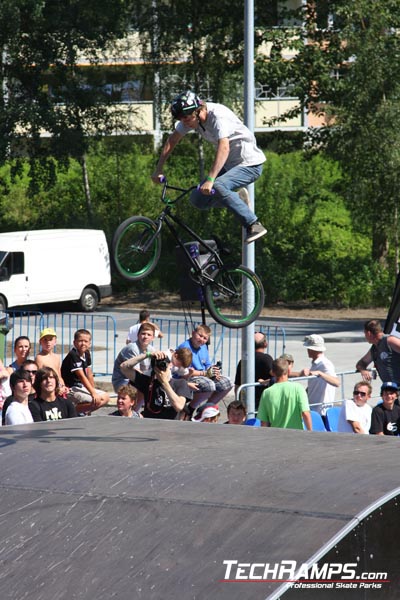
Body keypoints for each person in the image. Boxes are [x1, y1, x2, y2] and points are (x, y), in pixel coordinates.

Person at [151, 90, 267, 244]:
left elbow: (224, 147)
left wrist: (211, 178)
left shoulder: (218, 116)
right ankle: (236, 199)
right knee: (198, 199)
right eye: (180, 118)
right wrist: (158, 168)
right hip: (229, 166)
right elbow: (172, 140)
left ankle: (254, 224)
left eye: (186, 118)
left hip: (250, 164)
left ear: (198, 111)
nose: (184, 122)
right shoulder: (191, 119)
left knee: (218, 185)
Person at [177, 324, 232, 413]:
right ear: (193, 333)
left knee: (227, 382)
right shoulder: (185, 347)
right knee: (209, 385)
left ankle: (206, 408)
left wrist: (214, 370)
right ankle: (190, 409)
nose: (201, 339)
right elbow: (184, 372)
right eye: (200, 335)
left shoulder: (203, 347)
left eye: (205, 338)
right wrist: (205, 373)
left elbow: (207, 364)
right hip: (188, 377)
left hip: (203, 374)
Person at [120, 350, 186, 419]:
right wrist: (148, 355)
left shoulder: (180, 383)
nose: (160, 369)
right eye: (157, 365)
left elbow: (179, 406)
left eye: (163, 364)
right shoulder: (148, 382)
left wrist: (164, 382)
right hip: (150, 426)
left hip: (170, 427)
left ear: (170, 365)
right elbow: (123, 367)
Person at [61, 329, 109, 415]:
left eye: (86, 341)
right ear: (74, 342)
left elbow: (89, 374)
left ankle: (84, 411)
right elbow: (81, 376)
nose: (83, 343)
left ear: (89, 344)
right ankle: (71, 412)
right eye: (80, 341)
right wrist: (93, 394)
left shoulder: (86, 353)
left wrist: (93, 390)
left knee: (106, 397)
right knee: (94, 399)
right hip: (72, 388)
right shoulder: (73, 355)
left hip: (82, 387)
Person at [258, 358, 312, 430]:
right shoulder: (298, 388)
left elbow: (263, 422)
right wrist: (310, 432)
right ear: (288, 371)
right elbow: (305, 413)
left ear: (273, 373)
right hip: (296, 435)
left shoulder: (266, 393)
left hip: (276, 436)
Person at [300, 334, 340, 419]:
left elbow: (336, 382)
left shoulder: (325, 364)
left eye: (309, 348)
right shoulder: (316, 363)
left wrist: (320, 373)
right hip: (313, 408)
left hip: (322, 411)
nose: (308, 350)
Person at [112, 322, 156, 393]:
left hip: (136, 380)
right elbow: (136, 372)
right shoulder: (132, 348)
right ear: (138, 335)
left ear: (153, 338)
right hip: (123, 380)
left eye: (149, 335)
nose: (145, 337)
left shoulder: (151, 349)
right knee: (144, 385)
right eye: (143, 334)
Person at [234, 332, 273, 408]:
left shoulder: (243, 361)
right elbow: (277, 376)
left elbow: (237, 386)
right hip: (264, 403)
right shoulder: (266, 359)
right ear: (266, 344)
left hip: (246, 403)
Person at [356, 319, 400, 384]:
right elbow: (361, 363)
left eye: (365, 333)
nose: (365, 336)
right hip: (389, 388)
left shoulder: (390, 341)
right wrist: (363, 370)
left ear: (369, 333)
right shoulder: (374, 348)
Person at [1, 360, 38, 426]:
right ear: (12, 387)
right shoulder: (14, 410)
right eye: (21, 381)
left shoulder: (30, 406)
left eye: (28, 381)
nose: (25, 385)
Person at [35, 327, 67, 393]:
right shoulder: (40, 358)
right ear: (40, 342)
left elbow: (59, 375)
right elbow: (40, 377)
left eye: (50, 339)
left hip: (58, 386)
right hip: (48, 387)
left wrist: (63, 386)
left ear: (55, 342)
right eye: (45, 340)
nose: (48, 342)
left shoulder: (57, 357)